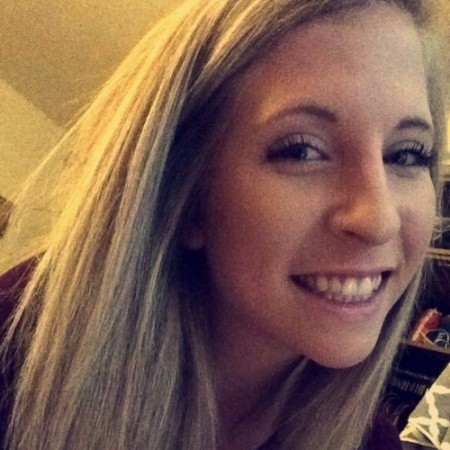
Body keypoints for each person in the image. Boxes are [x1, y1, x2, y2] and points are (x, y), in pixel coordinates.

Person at [0, 0, 447, 449]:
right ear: (182, 190)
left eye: (407, 155)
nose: (379, 220)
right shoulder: (14, 355)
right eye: (301, 151)